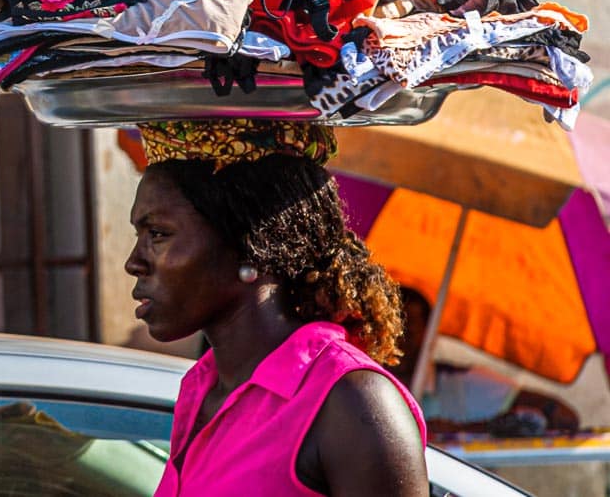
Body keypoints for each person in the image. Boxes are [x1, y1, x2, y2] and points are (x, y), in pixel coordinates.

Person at [126, 119, 428, 496]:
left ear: (249, 243)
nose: (134, 262)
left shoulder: (352, 402)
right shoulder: (201, 389)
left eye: (157, 235)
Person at [395, 287, 580, 436]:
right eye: (391, 332)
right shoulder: (367, 387)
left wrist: (463, 431)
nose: (398, 341)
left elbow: (564, 417)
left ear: (430, 335)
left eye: (408, 333)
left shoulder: (461, 382)